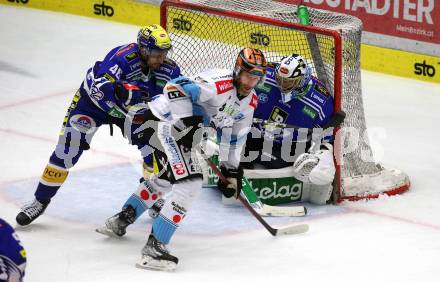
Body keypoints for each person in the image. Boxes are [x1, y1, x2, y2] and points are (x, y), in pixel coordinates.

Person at [96, 48, 268, 271]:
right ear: (237, 71)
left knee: (169, 178)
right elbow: (175, 87)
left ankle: (121, 219)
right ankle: (154, 248)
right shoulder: (218, 84)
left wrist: (230, 171)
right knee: (190, 183)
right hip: (160, 122)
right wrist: (186, 122)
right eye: (247, 75)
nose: (250, 81)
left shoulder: (249, 103)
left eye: (256, 77)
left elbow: (234, 139)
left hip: (176, 130)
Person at [16, 24, 181, 226]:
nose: (161, 58)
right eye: (156, 53)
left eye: (164, 53)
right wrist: (121, 94)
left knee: (154, 150)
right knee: (67, 151)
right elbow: (99, 86)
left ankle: (152, 195)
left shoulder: (169, 69)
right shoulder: (122, 58)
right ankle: (39, 201)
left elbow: (171, 100)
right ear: (143, 49)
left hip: (129, 113)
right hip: (92, 105)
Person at [242, 53, 336, 204]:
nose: (282, 84)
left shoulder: (321, 100)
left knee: (277, 160)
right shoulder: (266, 75)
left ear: (302, 81)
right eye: (280, 79)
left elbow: (326, 137)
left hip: (289, 147)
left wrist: (322, 152)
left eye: (288, 81)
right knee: (236, 147)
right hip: (257, 135)